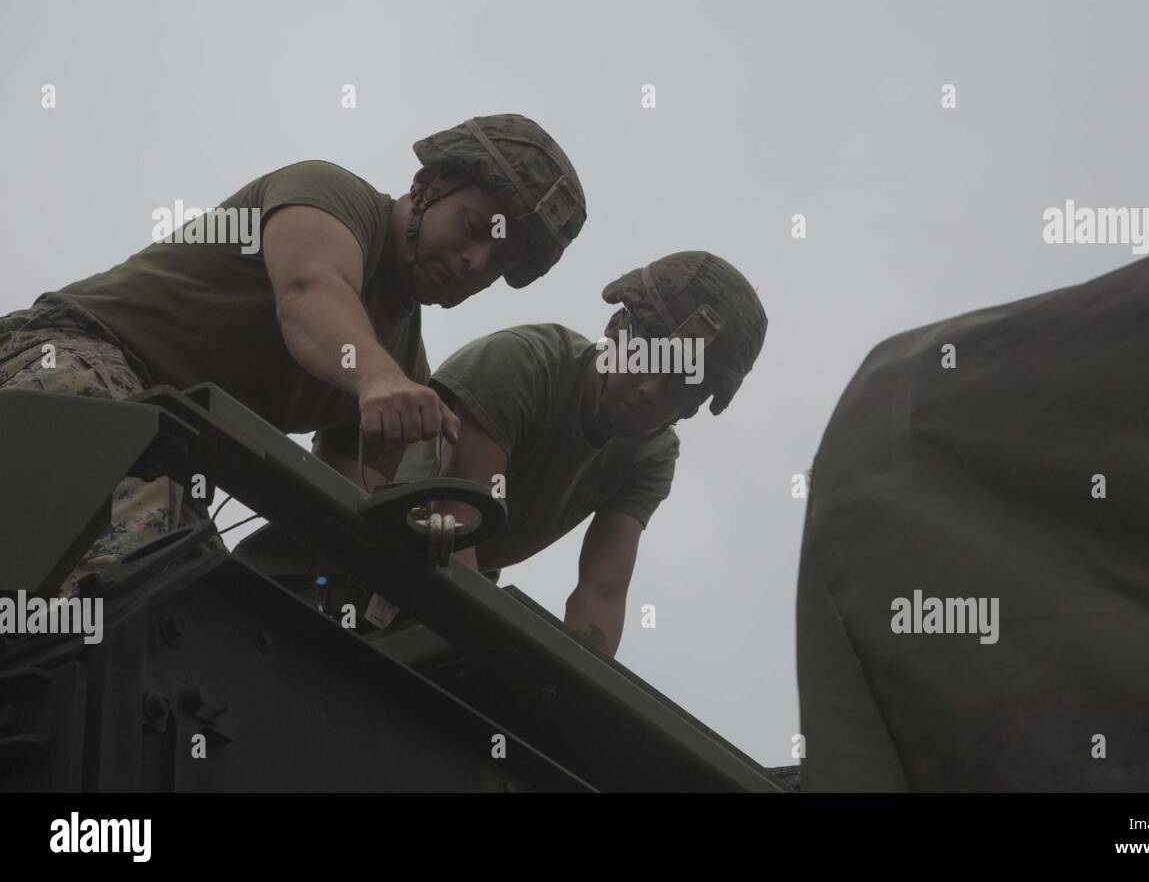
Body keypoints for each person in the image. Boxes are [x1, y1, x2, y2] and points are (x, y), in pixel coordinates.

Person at [0, 114, 586, 596]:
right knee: (137, 553)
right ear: (427, 183)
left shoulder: (408, 368)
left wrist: (404, 540)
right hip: (68, 356)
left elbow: (344, 493)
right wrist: (376, 379)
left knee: (198, 600)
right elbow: (310, 292)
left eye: (500, 262)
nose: (475, 262)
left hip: (163, 453)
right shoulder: (333, 197)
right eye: (476, 227)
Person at [390, 251, 768, 657]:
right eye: (646, 356)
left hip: (455, 594)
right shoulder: (524, 364)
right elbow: (457, 526)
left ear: (694, 404)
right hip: (380, 547)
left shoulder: (651, 455)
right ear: (617, 326)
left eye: (679, 384)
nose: (649, 390)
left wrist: (573, 697)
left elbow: (600, 597)